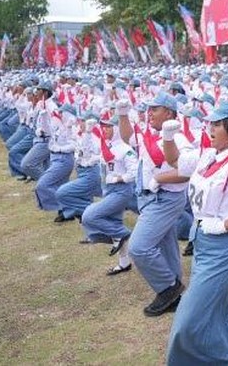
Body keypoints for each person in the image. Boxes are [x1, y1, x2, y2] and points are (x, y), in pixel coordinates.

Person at [165, 101, 228, 365]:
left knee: (187, 321)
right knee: (215, 313)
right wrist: (168, 136)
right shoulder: (208, 154)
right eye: (211, 123)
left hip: (225, 246)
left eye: (218, 125)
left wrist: (225, 225)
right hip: (203, 241)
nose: (211, 128)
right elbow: (173, 160)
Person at [120, 94, 194, 317]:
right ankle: (176, 293)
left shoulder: (178, 139)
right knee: (165, 244)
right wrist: (123, 114)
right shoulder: (150, 134)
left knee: (139, 247)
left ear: (169, 113)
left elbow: (185, 171)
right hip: (150, 197)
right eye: (148, 109)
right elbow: (127, 138)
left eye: (155, 109)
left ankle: (168, 288)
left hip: (164, 198)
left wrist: (160, 179)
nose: (149, 113)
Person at [80, 116, 138, 276]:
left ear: (117, 129)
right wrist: (87, 132)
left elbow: (134, 172)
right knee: (113, 222)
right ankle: (124, 263)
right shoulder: (107, 146)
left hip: (121, 190)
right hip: (109, 190)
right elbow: (85, 149)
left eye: (108, 127)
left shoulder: (125, 149)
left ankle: (124, 234)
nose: (104, 130)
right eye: (103, 127)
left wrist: (118, 178)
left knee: (89, 216)